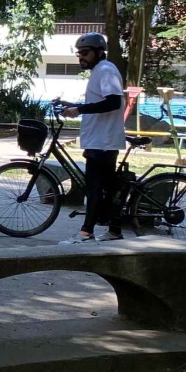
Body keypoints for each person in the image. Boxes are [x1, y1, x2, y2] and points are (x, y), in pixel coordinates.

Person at [60, 32, 125, 244]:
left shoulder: (105, 70)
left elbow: (113, 102)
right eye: (79, 54)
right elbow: (100, 102)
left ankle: (86, 233)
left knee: (95, 188)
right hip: (99, 140)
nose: (81, 58)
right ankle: (114, 230)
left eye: (85, 53)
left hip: (103, 141)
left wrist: (79, 110)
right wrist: (72, 104)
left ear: (99, 52)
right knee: (105, 189)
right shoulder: (100, 70)